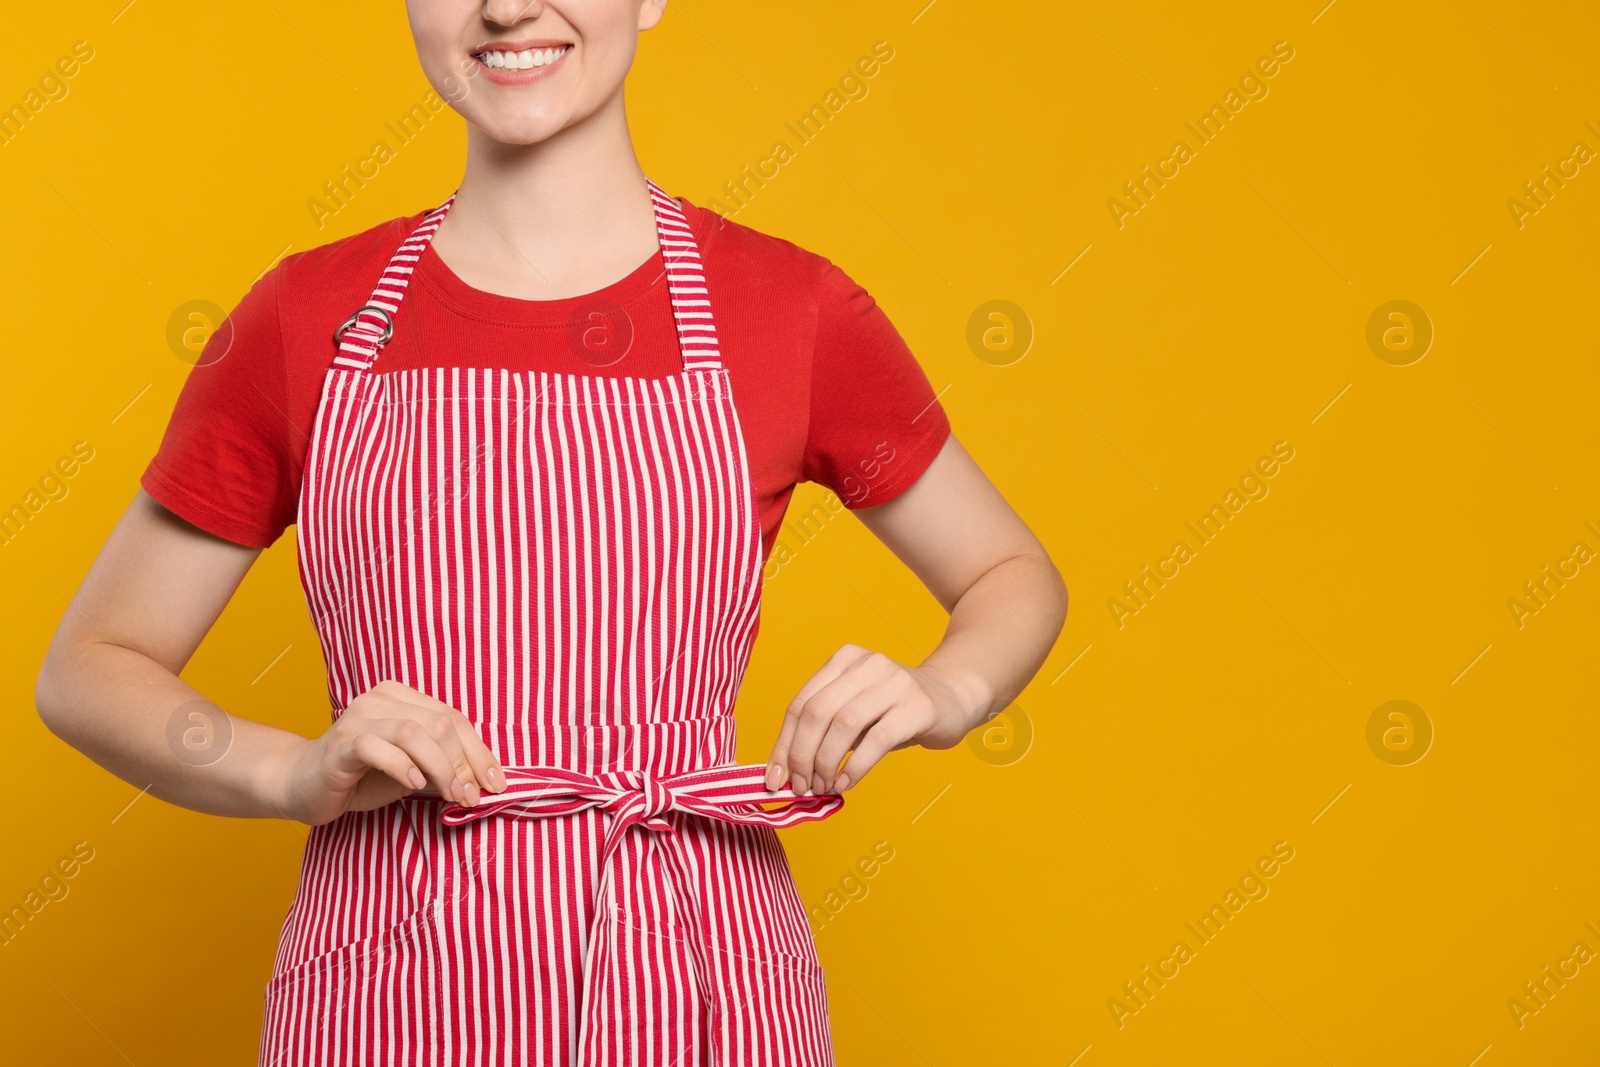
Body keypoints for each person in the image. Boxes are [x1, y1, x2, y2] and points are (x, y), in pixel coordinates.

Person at [34, 1, 1067, 1064]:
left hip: (701, 967)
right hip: (391, 981)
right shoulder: (305, 317)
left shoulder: (788, 306)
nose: (508, 5)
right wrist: (290, 774)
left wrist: (945, 692)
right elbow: (91, 668)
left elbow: (1009, 571)